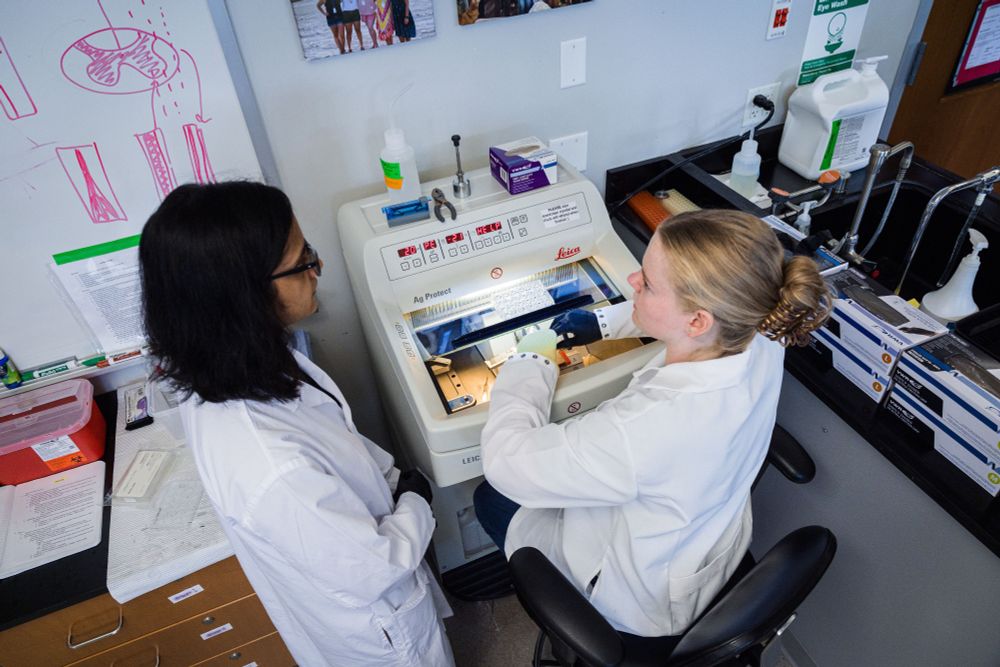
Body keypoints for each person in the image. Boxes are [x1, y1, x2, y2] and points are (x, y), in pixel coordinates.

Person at [474, 209, 831, 639]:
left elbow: (504, 460)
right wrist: (602, 323)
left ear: (699, 320)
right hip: (703, 542)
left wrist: (529, 361)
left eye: (647, 281)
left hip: (635, 602)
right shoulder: (763, 330)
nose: (632, 283)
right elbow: (685, 314)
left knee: (491, 496)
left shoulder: (647, 428)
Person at [139, 182, 455, 667]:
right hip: (379, 634)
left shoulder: (232, 364)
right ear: (243, 295)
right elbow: (375, 569)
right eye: (302, 260)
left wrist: (390, 479)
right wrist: (415, 498)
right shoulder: (270, 465)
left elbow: (330, 435)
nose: (317, 268)